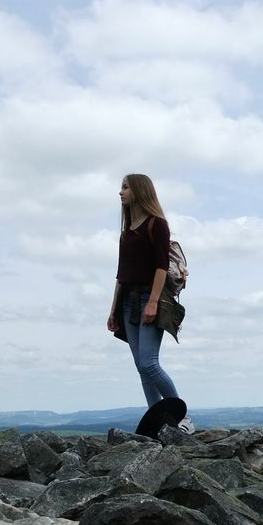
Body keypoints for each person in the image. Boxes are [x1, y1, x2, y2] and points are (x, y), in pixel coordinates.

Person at [107, 174, 193, 433]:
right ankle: (158, 421)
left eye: (125, 187)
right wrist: (113, 310)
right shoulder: (126, 233)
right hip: (128, 302)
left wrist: (153, 302)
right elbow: (121, 275)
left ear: (139, 191)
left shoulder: (157, 224)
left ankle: (182, 417)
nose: (120, 192)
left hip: (149, 298)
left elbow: (160, 266)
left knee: (149, 363)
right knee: (141, 366)